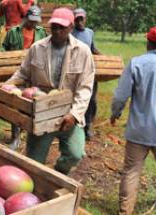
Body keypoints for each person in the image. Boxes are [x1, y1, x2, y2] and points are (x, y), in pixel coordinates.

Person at [5, 8, 95, 174]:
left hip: (68, 113)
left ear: (71, 27)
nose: (57, 31)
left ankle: (59, 173)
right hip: (42, 113)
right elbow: (22, 73)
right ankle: (35, 187)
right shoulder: (37, 48)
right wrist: (6, 87)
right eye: (54, 27)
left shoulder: (82, 51)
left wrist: (74, 115)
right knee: (34, 161)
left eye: (62, 28)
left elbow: (85, 87)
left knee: (75, 154)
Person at [111, 26, 156, 215]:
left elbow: (120, 96)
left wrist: (116, 113)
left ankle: (125, 211)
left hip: (138, 131)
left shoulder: (136, 63)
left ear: (148, 42)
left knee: (131, 173)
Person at [1, 5, 47, 150]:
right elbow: (4, 49)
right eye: (31, 20)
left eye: (36, 21)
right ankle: (15, 137)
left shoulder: (42, 33)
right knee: (16, 104)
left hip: (35, 75)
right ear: (25, 17)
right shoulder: (13, 32)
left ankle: (31, 135)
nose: (33, 23)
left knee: (33, 104)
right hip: (19, 73)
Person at [71, 8, 101, 141]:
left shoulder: (90, 33)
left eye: (81, 19)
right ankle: (74, 125)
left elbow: (93, 48)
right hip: (75, 71)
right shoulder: (70, 33)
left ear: (85, 19)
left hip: (90, 71)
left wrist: (105, 57)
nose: (79, 22)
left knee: (91, 99)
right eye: (77, 19)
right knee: (76, 98)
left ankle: (87, 126)